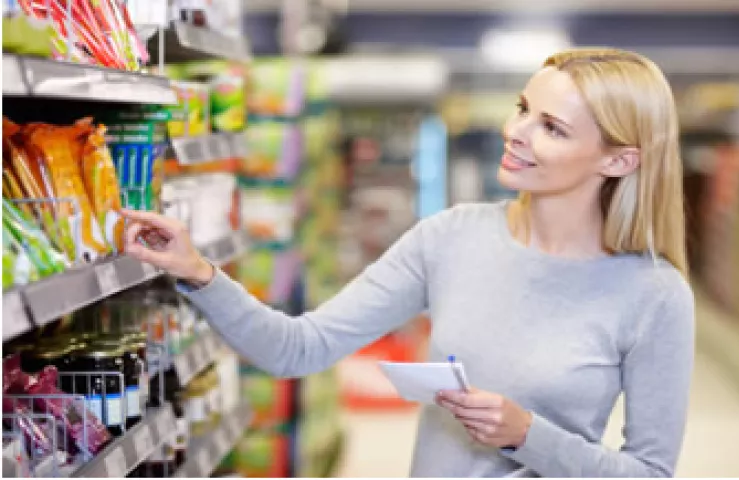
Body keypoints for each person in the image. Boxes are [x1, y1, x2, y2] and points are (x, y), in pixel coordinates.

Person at [122, 47, 694, 477]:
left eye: (551, 127)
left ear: (619, 160)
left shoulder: (652, 293)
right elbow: (298, 348)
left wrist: (526, 435)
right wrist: (198, 272)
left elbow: (649, 473)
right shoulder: (451, 238)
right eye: (523, 109)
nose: (515, 132)